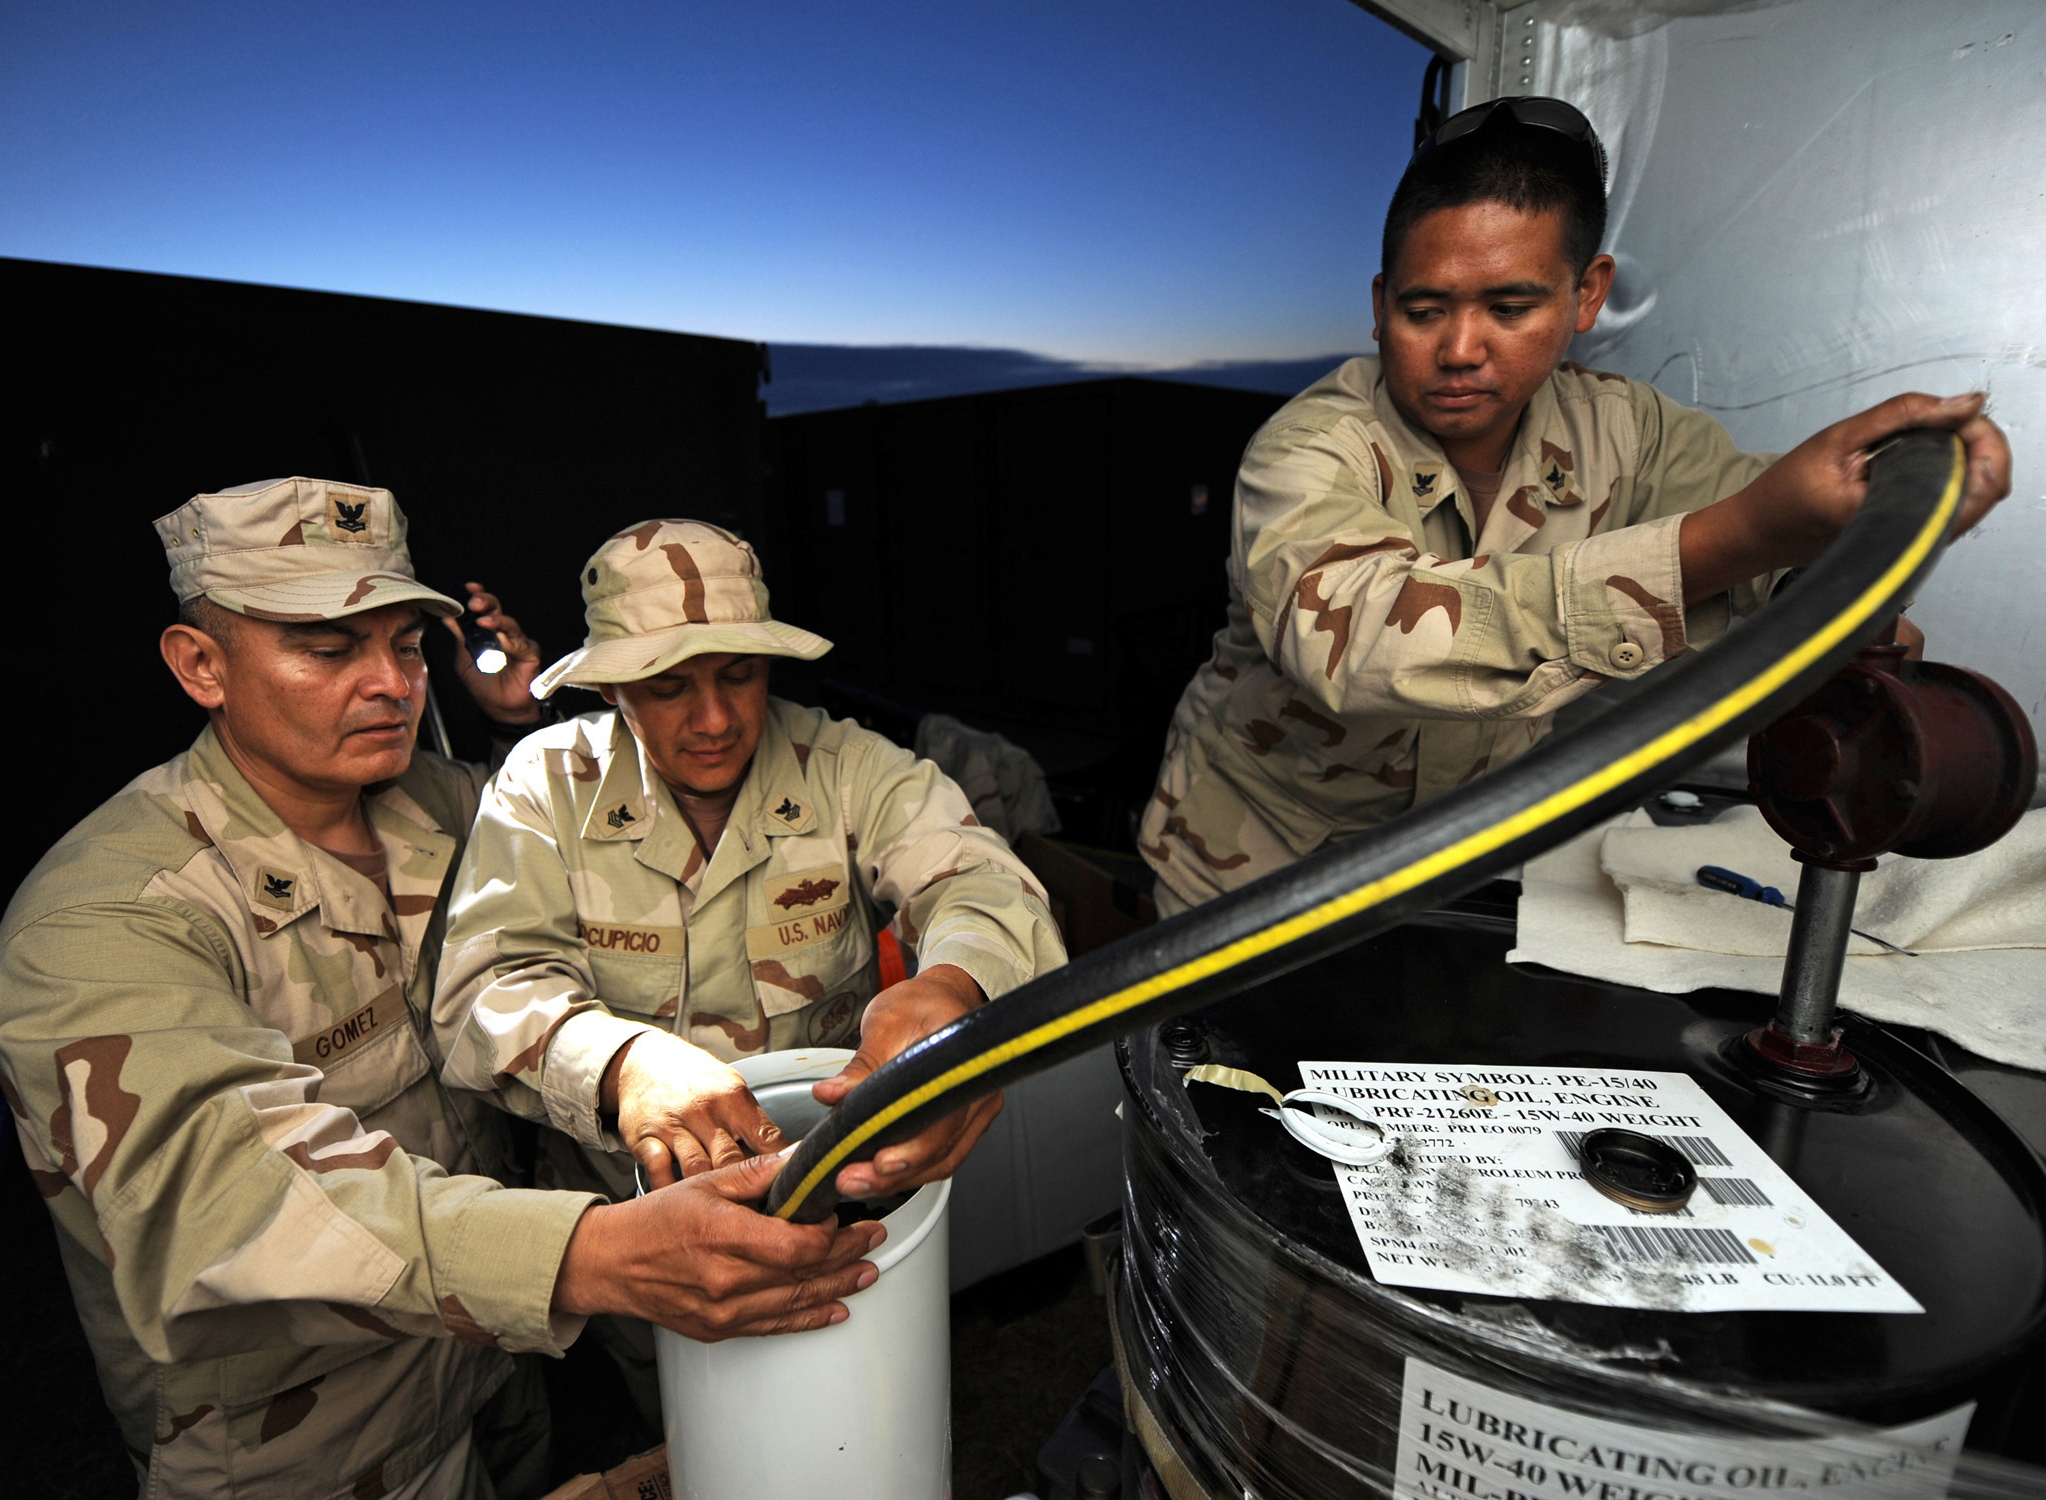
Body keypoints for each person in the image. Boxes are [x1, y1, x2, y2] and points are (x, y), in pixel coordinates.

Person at [0, 479, 882, 1500]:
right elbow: (212, 1198)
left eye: (406, 646)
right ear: (201, 665)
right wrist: (592, 1256)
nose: (391, 686)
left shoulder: (448, 806)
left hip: (487, 1370)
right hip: (303, 1442)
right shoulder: (110, 915)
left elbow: (580, 846)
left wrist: (530, 721)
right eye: (328, 650)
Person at [1139, 97, 2011, 913]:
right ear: (1377, 307)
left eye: (1510, 306)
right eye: (1423, 309)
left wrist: (1883, 524)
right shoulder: (1311, 447)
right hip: (1253, 874)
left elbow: (1788, 545)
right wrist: (1743, 535)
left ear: (1586, 294)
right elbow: (1359, 641)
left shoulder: (1628, 431)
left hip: (1458, 865)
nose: (1460, 348)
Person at [433, 518, 1067, 1423]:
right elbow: (480, 991)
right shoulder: (543, 788)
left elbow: (982, 881)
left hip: (838, 1211)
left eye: (740, 674)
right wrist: (624, 1065)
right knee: (688, 1429)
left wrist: (955, 991)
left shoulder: (847, 766)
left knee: (855, 1418)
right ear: (613, 688)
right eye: (668, 686)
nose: (717, 719)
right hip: (640, 1234)